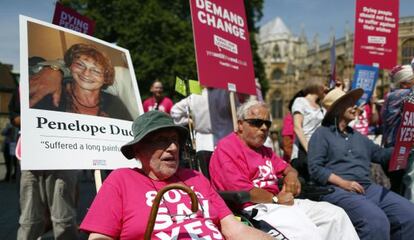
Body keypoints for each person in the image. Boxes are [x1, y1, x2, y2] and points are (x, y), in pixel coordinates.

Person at [80, 111, 273, 240]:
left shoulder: (196, 178)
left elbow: (234, 229)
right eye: (162, 140)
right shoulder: (121, 180)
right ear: (138, 150)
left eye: (175, 140)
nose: (173, 147)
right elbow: (99, 237)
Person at [209, 100, 359, 240]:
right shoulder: (227, 148)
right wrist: (274, 199)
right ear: (240, 124)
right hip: (255, 208)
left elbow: (287, 168)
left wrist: (291, 176)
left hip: (280, 203)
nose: (264, 128)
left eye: (267, 123)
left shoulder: (264, 150)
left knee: (335, 215)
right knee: (306, 231)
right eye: (257, 122)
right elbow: (243, 192)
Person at [308, 88, 414, 240]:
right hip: (336, 189)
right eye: (350, 103)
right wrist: (343, 183)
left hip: (366, 188)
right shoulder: (322, 134)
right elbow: (315, 169)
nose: (355, 107)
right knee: (375, 221)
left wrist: (407, 144)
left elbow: (381, 155)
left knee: (409, 214)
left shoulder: (358, 136)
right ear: (338, 109)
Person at [30, 43, 132, 121]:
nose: (86, 73)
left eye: (96, 70)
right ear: (70, 66)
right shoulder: (52, 94)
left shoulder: (114, 103)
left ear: (105, 78)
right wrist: (53, 69)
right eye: (80, 65)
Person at [382, 64, 414, 196]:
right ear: (405, 82)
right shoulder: (405, 94)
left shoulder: (390, 95)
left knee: (397, 185)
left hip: (390, 146)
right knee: (406, 184)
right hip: (401, 147)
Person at [291, 79, 327, 181]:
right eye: (324, 86)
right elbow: (297, 127)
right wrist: (309, 150)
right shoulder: (300, 102)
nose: (326, 89)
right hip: (304, 149)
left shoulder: (321, 108)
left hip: (318, 149)